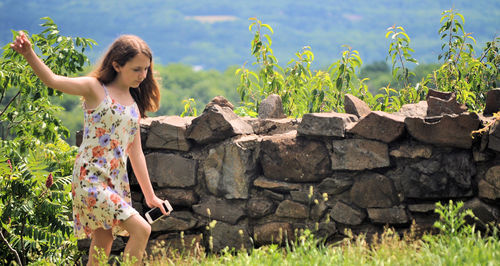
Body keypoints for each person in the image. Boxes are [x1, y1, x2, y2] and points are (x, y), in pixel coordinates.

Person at [10, 32, 169, 265]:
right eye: (136, 69)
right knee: (141, 229)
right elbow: (53, 80)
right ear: (117, 65)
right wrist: (29, 53)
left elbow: (136, 153)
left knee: (102, 243)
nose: (143, 75)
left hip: (113, 182)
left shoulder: (134, 104)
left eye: (146, 69)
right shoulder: (95, 88)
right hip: (89, 179)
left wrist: (150, 196)